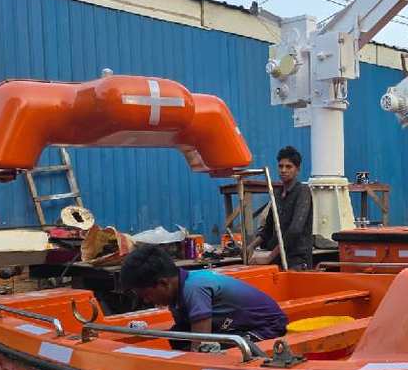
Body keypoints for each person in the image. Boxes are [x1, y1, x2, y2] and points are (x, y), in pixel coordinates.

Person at [119, 244, 288, 348]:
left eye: (146, 295)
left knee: (212, 350)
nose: (147, 300)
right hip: (233, 325)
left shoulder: (194, 289)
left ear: (163, 283)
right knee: (178, 336)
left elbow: (200, 344)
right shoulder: (177, 290)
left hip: (267, 327)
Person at [249, 146, 314, 270]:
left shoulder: (303, 191)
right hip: (278, 260)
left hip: (297, 262)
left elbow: (295, 230)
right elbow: (268, 229)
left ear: (297, 170)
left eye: (288, 167)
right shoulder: (277, 194)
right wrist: (250, 246)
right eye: (280, 166)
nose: (283, 170)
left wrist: (269, 258)